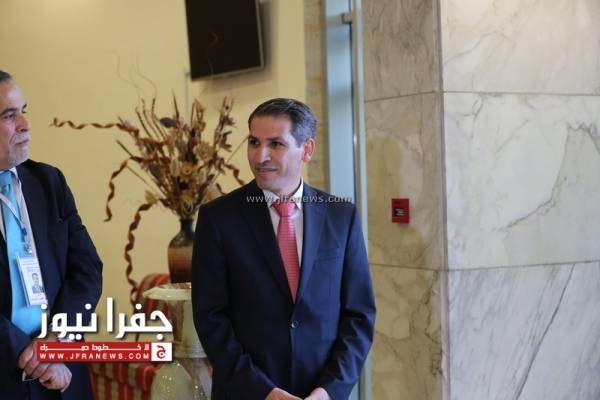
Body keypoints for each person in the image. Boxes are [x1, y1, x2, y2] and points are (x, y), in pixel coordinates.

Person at [192, 98, 376, 400]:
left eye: (275, 144)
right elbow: (210, 317)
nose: (260, 156)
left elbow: (359, 315)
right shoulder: (218, 218)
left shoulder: (341, 217)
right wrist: (263, 391)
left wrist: (329, 391)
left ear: (307, 150)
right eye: (254, 142)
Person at [0, 70, 103, 399]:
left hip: (64, 372)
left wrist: (57, 339)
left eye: (23, 111)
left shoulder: (48, 182)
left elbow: (87, 268)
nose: (25, 124)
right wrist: (34, 356)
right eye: (9, 115)